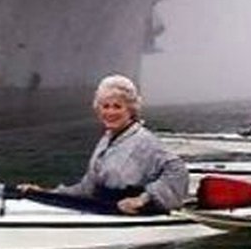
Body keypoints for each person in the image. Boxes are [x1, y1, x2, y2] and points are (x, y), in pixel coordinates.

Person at [17, 74, 188, 214]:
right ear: (98, 110)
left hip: (128, 214)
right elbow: (88, 188)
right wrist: (45, 193)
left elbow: (177, 170)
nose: (110, 112)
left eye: (117, 107)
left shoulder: (145, 141)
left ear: (131, 110)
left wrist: (143, 199)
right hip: (104, 209)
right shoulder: (107, 140)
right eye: (105, 106)